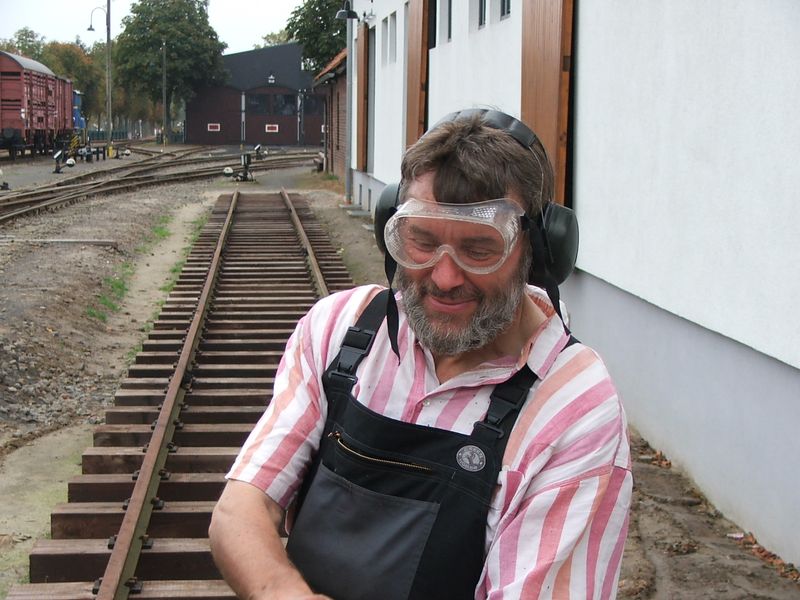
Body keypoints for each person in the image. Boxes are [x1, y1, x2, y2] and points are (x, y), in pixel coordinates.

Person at [209, 109, 632, 600]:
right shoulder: (341, 330)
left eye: (479, 250)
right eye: (421, 241)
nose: (444, 278)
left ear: (538, 251)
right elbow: (240, 510)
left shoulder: (573, 407)